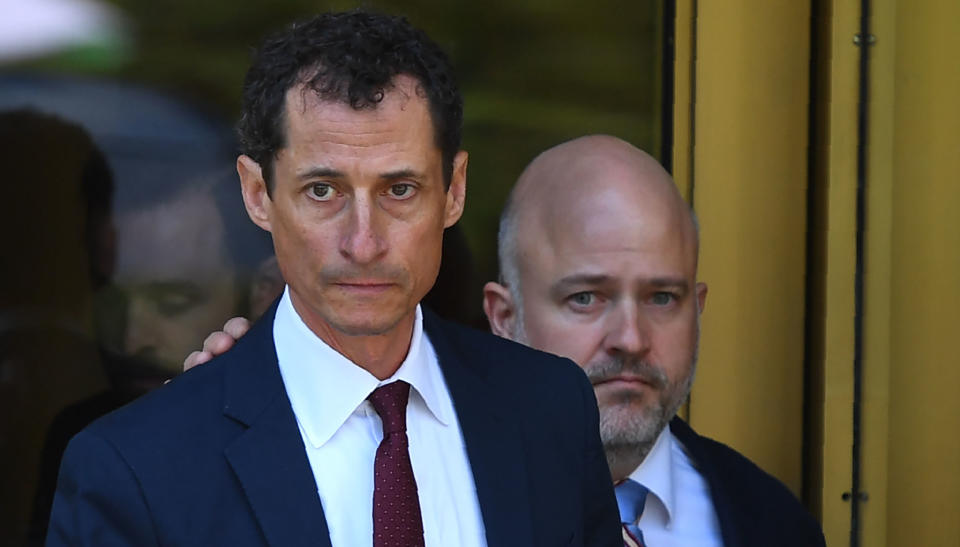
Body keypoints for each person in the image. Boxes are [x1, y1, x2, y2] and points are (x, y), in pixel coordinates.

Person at [46, 11, 620, 547]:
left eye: (400, 190)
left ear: (455, 191)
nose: (363, 243)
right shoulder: (135, 465)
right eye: (323, 191)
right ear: (257, 194)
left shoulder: (550, 409)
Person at [191, 135, 827, 547]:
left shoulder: (769, 520)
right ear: (501, 315)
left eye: (663, 298)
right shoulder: (399, 469)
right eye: (586, 298)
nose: (631, 338)